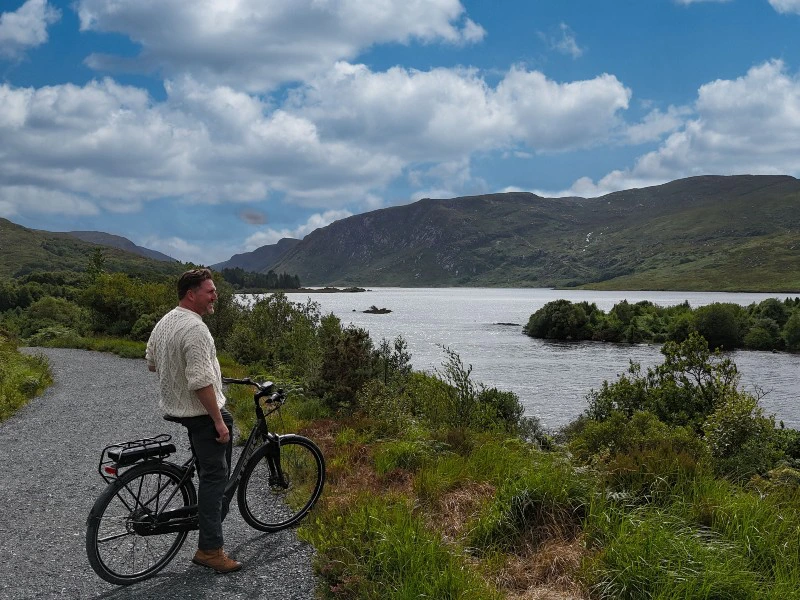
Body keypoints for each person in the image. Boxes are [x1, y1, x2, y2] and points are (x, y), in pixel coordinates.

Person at [145, 268, 241, 574]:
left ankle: (206, 517)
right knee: (215, 478)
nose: (215, 296)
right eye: (210, 291)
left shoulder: (166, 321)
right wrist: (218, 421)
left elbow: (151, 361)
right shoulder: (196, 329)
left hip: (177, 408)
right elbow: (200, 381)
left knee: (210, 469)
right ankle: (210, 550)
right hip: (199, 413)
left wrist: (174, 372)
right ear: (192, 294)